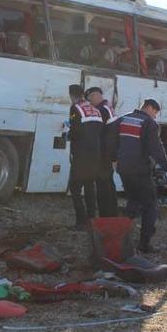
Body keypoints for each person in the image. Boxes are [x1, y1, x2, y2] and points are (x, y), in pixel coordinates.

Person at [109, 99, 167, 253]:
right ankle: (144, 243)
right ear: (149, 108)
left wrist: (113, 160)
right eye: (155, 112)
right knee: (150, 204)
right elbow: (156, 147)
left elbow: (111, 142)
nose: (155, 116)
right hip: (140, 170)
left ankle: (120, 237)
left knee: (133, 200)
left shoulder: (122, 119)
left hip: (123, 168)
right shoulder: (148, 123)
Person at [66, 84, 103, 229]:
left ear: (72, 95)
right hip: (95, 155)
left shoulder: (76, 108)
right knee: (89, 187)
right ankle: (92, 220)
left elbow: (76, 131)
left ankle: (81, 222)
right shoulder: (96, 109)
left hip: (81, 155)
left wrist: (68, 135)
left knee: (75, 188)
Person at [85, 86, 118, 217]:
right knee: (109, 184)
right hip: (109, 153)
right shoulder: (108, 108)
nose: (90, 103)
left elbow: (96, 132)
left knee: (102, 185)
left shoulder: (101, 110)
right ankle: (112, 213)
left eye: (89, 99)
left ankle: (105, 215)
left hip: (102, 153)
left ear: (94, 96)